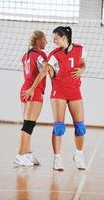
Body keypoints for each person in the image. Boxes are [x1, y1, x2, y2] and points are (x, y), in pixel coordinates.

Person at [23, 26, 87, 171]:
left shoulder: (79, 49)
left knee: (81, 127)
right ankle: (57, 159)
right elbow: (44, 71)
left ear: (64, 38)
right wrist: (33, 88)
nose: (53, 42)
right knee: (59, 127)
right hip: (59, 92)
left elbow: (82, 63)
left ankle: (79, 155)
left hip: (75, 91)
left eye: (56, 39)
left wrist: (83, 68)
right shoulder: (54, 54)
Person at [14, 30, 48, 166]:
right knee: (29, 124)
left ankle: (27, 154)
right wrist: (33, 89)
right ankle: (20, 155)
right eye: (45, 39)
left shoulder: (26, 55)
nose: (46, 41)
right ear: (38, 40)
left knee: (27, 124)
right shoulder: (40, 54)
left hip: (25, 88)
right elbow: (44, 70)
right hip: (33, 90)